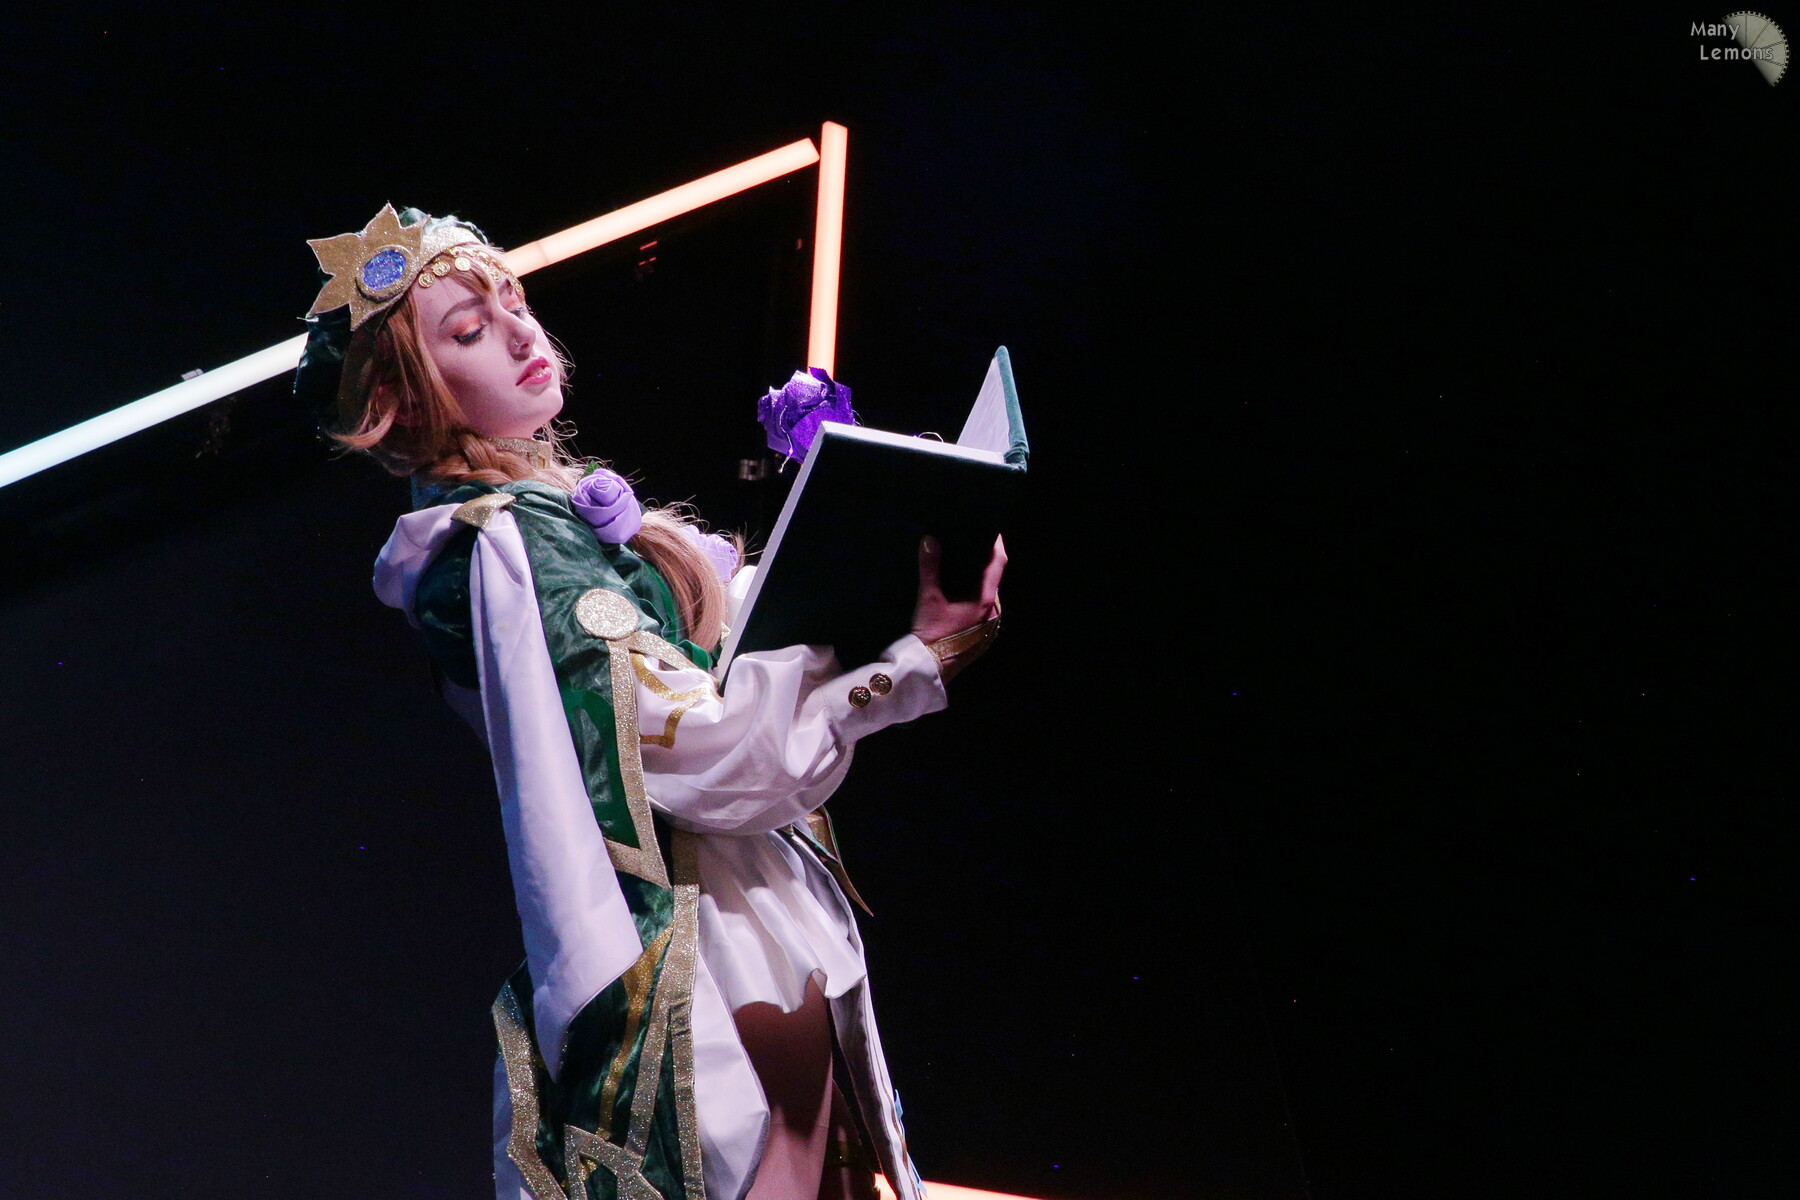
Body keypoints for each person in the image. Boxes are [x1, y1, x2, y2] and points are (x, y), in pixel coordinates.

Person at [296, 205, 1004, 1200]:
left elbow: (706, 657)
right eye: (469, 330)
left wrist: (843, 499)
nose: (519, 335)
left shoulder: (548, 514)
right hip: (695, 961)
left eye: (516, 304)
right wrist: (902, 669)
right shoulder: (504, 550)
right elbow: (704, 750)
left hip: (750, 934)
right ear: (403, 402)